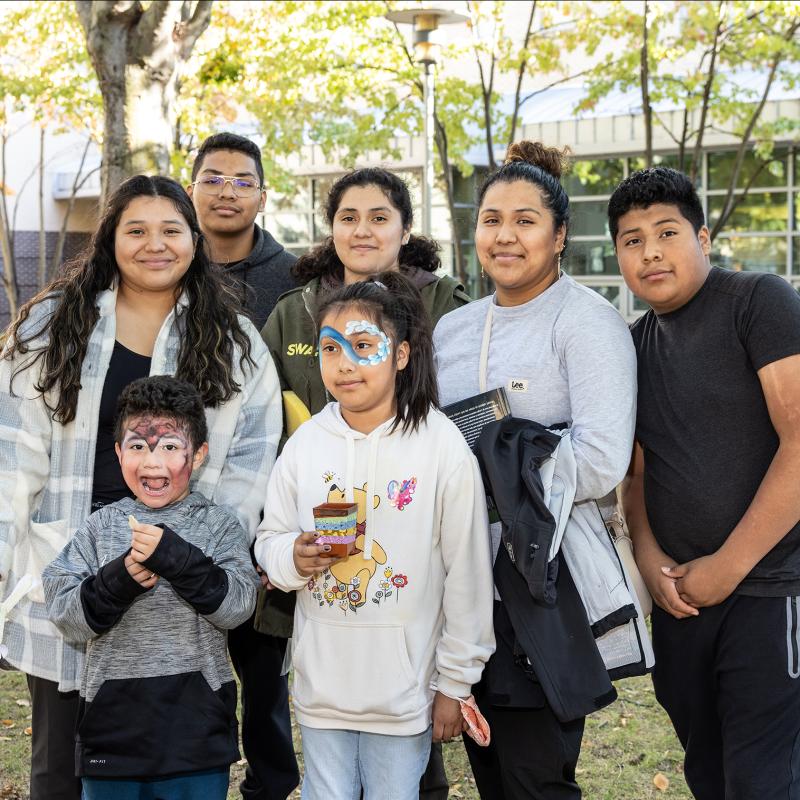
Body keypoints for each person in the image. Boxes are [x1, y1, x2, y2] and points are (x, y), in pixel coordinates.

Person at [0, 175, 281, 800]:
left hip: (180, 577)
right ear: (110, 239)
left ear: (194, 239)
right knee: (59, 765)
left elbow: (250, 462)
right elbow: (10, 453)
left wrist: (203, 553)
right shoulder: (52, 328)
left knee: (170, 758)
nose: (154, 244)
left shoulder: (234, 342)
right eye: (136, 230)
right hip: (71, 565)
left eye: (170, 230)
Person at [433, 141, 636, 799]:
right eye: (492, 219)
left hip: (543, 582)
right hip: (462, 583)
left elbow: (603, 459)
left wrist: (501, 475)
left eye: (525, 220)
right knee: (490, 768)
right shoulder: (454, 330)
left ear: (558, 236)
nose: (506, 236)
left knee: (536, 776)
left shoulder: (587, 322)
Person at [261, 166, 470, 798]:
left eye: (380, 216)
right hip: (323, 678)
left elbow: (464, 568)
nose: (346, 363)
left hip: (406, 673)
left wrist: (455, 681)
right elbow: (273, 535)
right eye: (348, 217)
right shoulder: (306, 436)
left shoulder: (440, 439)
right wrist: (291, 556)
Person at [611, 167, 800, 800]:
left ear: (705, 238)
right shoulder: (632, 344)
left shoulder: (759, 302)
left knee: (764, 779)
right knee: (709, 773)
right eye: (632, 240)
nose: (651, 252)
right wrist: (650, 556)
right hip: (682, 601)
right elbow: (635, 472)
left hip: (771, 590)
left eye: (667, 232)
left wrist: (729, 566)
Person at [42, 375, 259, 799]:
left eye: (170, 447)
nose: (152, 462)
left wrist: (178, 560)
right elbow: (63, 612)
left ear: (197, 456)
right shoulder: (101, 527)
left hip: (196, 740)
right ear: (119, 453)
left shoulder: (218, 526)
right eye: (138, 446)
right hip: (112, 738)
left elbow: (238, 605)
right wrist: (116, 582)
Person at [189, 131, 300, 800]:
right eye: (213, 177)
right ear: (192, 184)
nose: (227, 190)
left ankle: (270, 786)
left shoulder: (293, 278)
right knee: (190, 669)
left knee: (264, 674)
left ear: (261, 193)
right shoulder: (163, 259)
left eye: (241, 179)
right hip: (176, 498)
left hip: (268, 505)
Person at [262, 166, 470, 420]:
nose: (361, 231)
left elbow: (469, 405)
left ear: (405, 231)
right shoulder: (292, 312)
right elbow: (261, 410)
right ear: (333, 228)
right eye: (349, 218)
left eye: (379, 219)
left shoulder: (446, 305)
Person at [188, 131, 298, 330]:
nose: (227, 193)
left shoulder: (296, 278)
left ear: (262, 200)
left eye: (244, 184)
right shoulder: (168, 267)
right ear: (190, 194)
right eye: (212, 181)